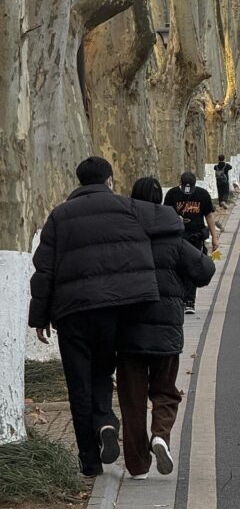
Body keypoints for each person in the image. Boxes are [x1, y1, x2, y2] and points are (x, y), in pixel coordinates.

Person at [28, 156, 166, 477]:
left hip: (71, 313)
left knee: (79, 384)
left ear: (78, 181)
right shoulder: (128, 208)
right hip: (114, 311)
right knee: (103, 373)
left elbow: (43, 269)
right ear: (109, 180)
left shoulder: (59, 216)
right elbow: (166, 225)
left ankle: (89, 460)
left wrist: (39, 317)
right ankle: (105, 419)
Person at [116, 178, 215, 479]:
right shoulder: (174, 238)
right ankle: (160, 435)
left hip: (128, 331)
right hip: (167, 331)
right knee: (165, 391)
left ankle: (137, 466)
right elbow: (205, 270)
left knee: (132, 400)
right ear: (161, 201)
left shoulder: (121, 236)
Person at [163, 172, 219, 314]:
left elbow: (209, 216)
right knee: (176, 269)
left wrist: (214, 237)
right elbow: (165, 214)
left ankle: (189, 301)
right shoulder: (172, 194)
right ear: (180, 184)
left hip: (196, 238)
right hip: (177, 237)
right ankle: (179, 298)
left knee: (192, 268)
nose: (187, 190)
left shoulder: (203, 194)